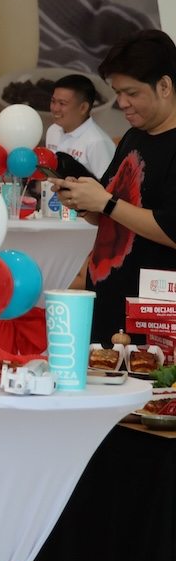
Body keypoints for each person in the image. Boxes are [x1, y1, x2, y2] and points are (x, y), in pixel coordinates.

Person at [51, 29, 176, 344]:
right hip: (107, 306)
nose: (122, 103)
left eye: (131, 93)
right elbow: (110, 214)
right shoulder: (134, 135)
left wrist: (105, 202)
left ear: (164, 86)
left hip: (152, 320)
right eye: (117, 92)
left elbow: (172, 229)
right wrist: (82, 201)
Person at [45, 73, 116, 179]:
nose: (55, 108)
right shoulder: (53, 130)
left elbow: (107, 189)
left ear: (83, 108)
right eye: (53, 101)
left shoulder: (97, 142)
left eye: (62, 103)